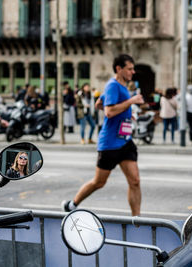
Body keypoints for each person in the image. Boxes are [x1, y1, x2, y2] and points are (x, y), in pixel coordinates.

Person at [62, 54, 144, 216]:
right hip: (110, 143)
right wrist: (131, 102)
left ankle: (137, 220)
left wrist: (127, 114)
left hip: (125, 141)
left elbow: (100, 104)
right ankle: (73, 204)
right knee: (99, 182)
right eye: (130, 69)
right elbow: (109, 111)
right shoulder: (113, 85)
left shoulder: (122, 86)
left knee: (135, 181)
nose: (133, 72)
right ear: (119, 69)